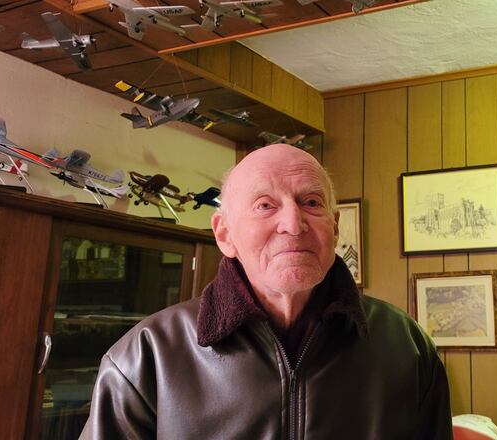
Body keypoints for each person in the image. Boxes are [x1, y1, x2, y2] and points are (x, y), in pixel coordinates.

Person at [80, 144, 453, 439]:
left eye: (311, 202)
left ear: (335, 228)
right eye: (264, 205)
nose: (293, 224)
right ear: (224, 233)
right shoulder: (147, 355)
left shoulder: (406, 345)